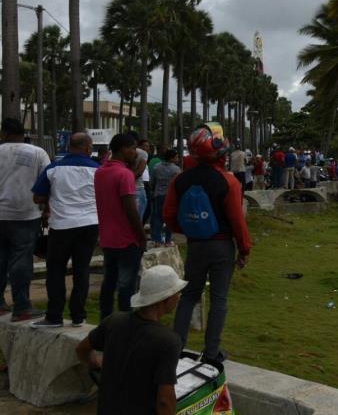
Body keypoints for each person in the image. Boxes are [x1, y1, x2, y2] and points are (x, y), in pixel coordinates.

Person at [164, 123, 251, 363]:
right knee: (219, 299)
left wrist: (191, 229)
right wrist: (244, 249)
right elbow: (237, 221)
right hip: (222, 246)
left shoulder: (181, 180)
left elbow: (169, 215)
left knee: (189, 295)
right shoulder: (229, 182)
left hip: (196, 246)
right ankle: (211, 354)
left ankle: (176, 349)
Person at [76, 265, 186, 415]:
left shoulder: (114, 321)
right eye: (176, 293)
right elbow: (164, 401)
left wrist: (94, 362)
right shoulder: (168, 341)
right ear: (165, 300)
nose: (179, 297)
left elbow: (82, 349)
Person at [30, 132, 100, 328]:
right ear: (88, 148)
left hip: (61, 225)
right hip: (89, 224)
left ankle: (54, 316)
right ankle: (79, 316)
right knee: (82, 269)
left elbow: (37, 197)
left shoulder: (54, 168)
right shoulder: (98, 169)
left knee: (56, 270)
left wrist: (53, 199)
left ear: (69, 146)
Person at [0, 118, 50, 321]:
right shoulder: (37, 153)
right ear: (23, 133)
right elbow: (48, 182)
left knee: (1, 259)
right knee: (21, 259)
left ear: (4, 133)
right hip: (26, 214)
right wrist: (47, 211)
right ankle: (21, 306)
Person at [95, 133, 146, 320]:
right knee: (126, 286)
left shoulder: (100, 172)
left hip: (108, 238)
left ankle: (105, 320)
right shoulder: (124, 174)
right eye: (133, 148)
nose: (135, 153)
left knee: (109, 282)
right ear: (124, 149)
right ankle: (126, 323)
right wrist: (141, 236)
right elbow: (131, 210)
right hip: (127, 239)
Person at [150, 149, 180, 248]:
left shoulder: (156, 167)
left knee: (158, 218)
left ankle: (157, 241)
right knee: (169, 218)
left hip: (158, 195)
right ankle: (168, 240)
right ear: (171, 158)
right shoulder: (176, 169)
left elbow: (152, 182)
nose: (178, 159)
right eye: (176, 157)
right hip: (171, 196)